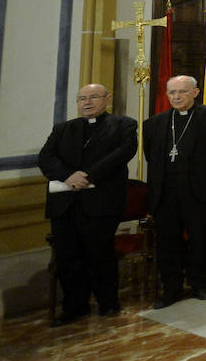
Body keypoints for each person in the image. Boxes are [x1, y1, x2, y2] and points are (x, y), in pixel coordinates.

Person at [38, 84, 136, 324]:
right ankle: (74, 306)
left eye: (93, 97)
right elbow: (46, 157)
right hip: (65, 204)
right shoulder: (63, 129)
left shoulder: (123, 125)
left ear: (107, 99)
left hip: (100, 202)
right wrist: (69, 176)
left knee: (99, 255)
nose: (87, 102)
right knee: (67, 258)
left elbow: (123, 153)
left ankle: (108, 303)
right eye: (82, 98)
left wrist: (88, 176)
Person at [143, 75, 206, 307]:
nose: (176, 96)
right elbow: (150, 156)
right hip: (165, 191)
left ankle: (200, 284)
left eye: (182, 91)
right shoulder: (154, 124)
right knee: (167, 242)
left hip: (198, 190)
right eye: (172, 92)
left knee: (199, 239)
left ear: (195, 92)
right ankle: (170, 289)